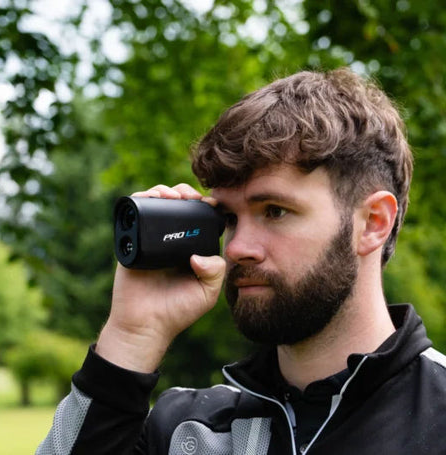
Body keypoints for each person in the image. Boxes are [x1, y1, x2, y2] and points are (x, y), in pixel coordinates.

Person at [36, 68, 446, 455]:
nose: (235, 249)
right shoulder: (186, 433)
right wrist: (131, 337)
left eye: (275, 211)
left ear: (373, 223)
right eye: (229, 219)